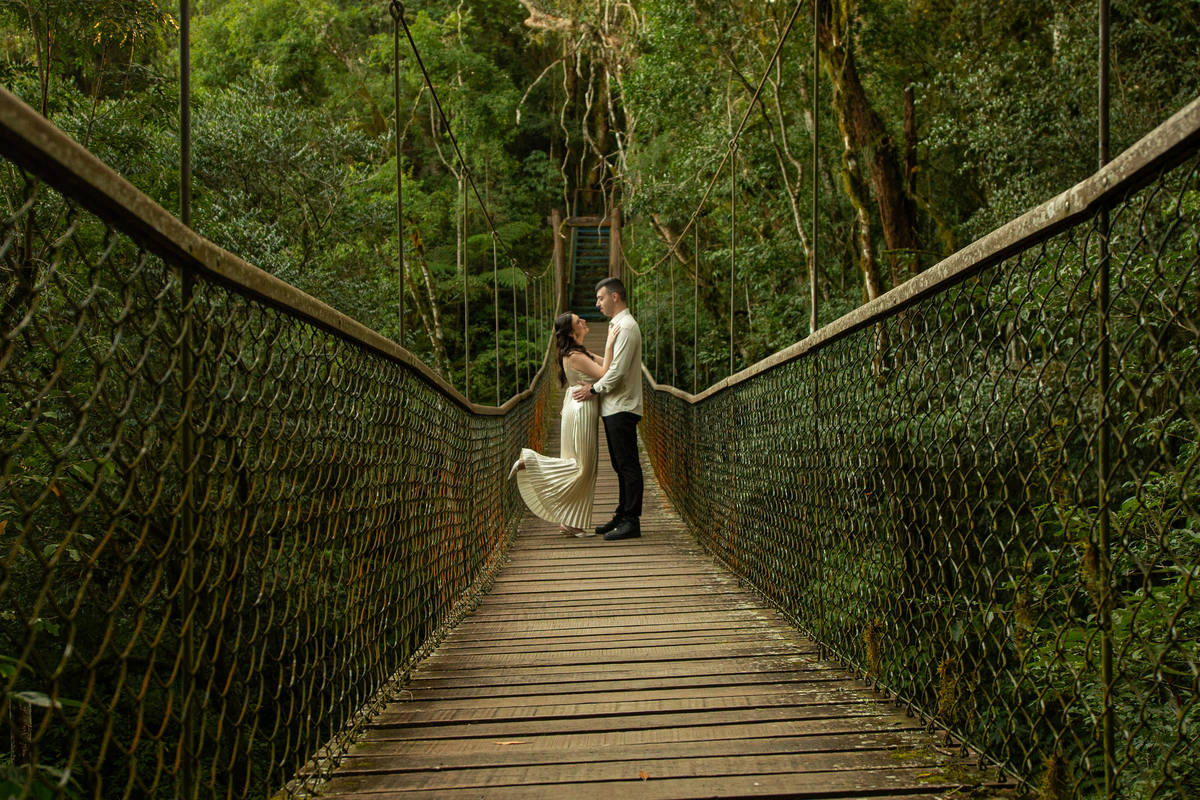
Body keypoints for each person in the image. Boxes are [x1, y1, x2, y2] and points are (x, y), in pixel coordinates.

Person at [509, 312, 618, 536]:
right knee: (583, 467)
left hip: (577, 408)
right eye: (579, 321)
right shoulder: (575, 356)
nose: (584, 322)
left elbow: (611, 363)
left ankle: (571, 523)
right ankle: (532, 462)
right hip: (581, 410)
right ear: (570, 332)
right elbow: (604, 373)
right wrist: (609, 343)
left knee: (582, 466)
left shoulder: (580, 353)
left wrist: (616, 348)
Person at [571, 277, 643, 541]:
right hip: (614, 406)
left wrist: (592, 390)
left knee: (627, 465)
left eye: (600, 298)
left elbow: (618, 372)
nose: (597, 303)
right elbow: (611, 367)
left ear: (614, 297)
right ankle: (622, 515)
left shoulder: (626, 327)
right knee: (620, 464)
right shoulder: (617, 325)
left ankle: (631, 521)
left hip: (622, 406)